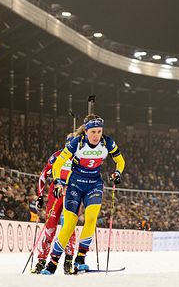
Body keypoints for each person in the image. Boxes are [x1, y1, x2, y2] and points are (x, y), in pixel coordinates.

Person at [42, 114, 125, 275]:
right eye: (93, 132)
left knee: (92, 218)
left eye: (99, 131)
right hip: (75, 185)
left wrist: (117, 172)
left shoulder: (107, 142)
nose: (96, 135)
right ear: (86, 131)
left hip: (94, 184)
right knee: (69, 224)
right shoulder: (77, 143)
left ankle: (80, 259)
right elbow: (58, 163)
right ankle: (52, 263)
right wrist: (58, 181)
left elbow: (120, 161)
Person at [32, 145, 78, 274]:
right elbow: (43, 175)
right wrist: (40, 196)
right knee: (50, 227)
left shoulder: (80, 157)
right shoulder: (57, 155)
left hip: (72, 192)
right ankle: (41, 261)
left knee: (68, 227)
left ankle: (68, 261)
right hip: (56, 193)